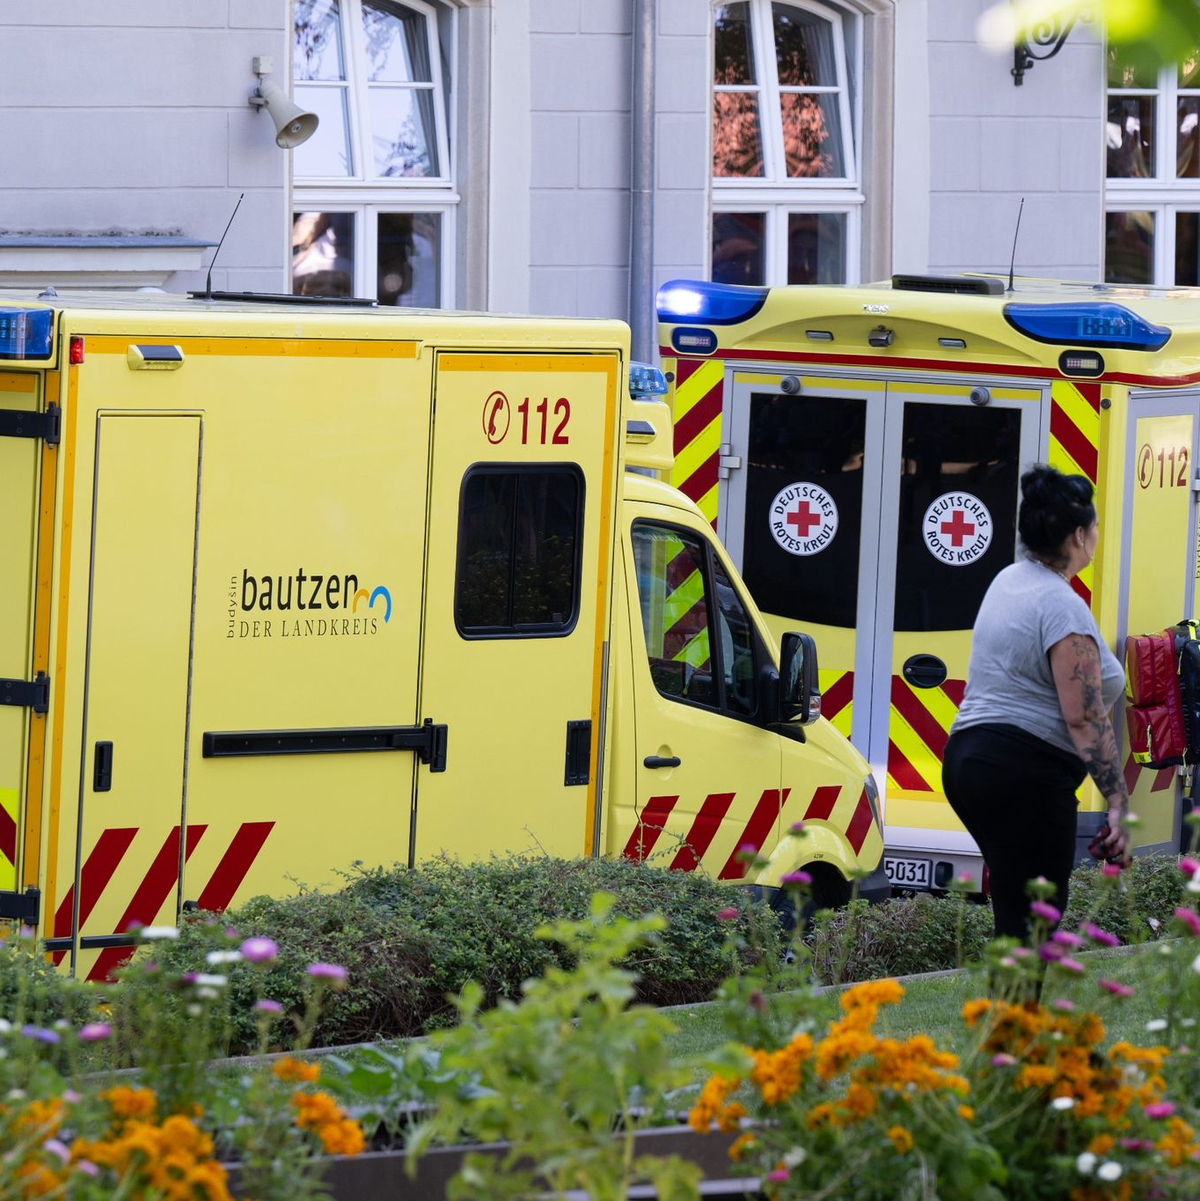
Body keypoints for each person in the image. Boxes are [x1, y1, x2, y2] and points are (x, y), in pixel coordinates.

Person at [943, 464, 1129, 943]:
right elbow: (1084, 715)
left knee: (1018, 910)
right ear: (1079, 537)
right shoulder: (1061, 606)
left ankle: (1010, 1013)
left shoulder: (1008, 581)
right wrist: (1116, 801)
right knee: (1036, 918)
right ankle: (1016, 1016)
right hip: (1022, 772)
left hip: (969, 760)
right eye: (1094, 528)